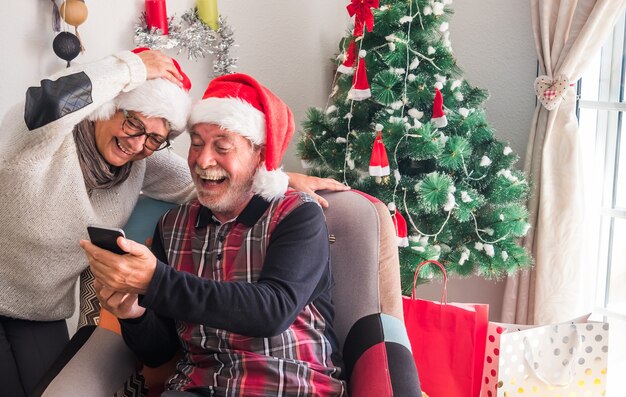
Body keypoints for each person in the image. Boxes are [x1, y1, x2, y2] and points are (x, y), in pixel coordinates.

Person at [0, 49, 346, 397]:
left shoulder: (140, 163)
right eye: (134, 122)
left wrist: (277, 178)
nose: (137, 143)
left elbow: (200, 181)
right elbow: (45, 104)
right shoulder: (43, 139)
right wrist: (130, 67)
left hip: (39, 311)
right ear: (107, 106)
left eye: (154, 138)